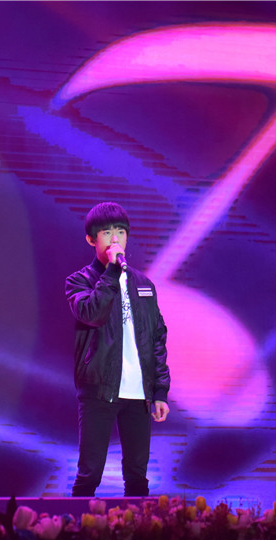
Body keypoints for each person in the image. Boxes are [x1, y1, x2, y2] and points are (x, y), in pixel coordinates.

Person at [65, 202, 171, 497]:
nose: (115, 239)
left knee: (138, 477)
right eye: (107, 233)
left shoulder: (144, 284)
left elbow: (157, 338)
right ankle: (78, 526)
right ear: (91, 239)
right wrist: (111, 273)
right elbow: (92, 313)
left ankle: (136, 526)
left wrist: (160, 391)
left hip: (139, 394)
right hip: (99, 390)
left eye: (121, 232)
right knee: (89, 475)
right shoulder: (79, 281)